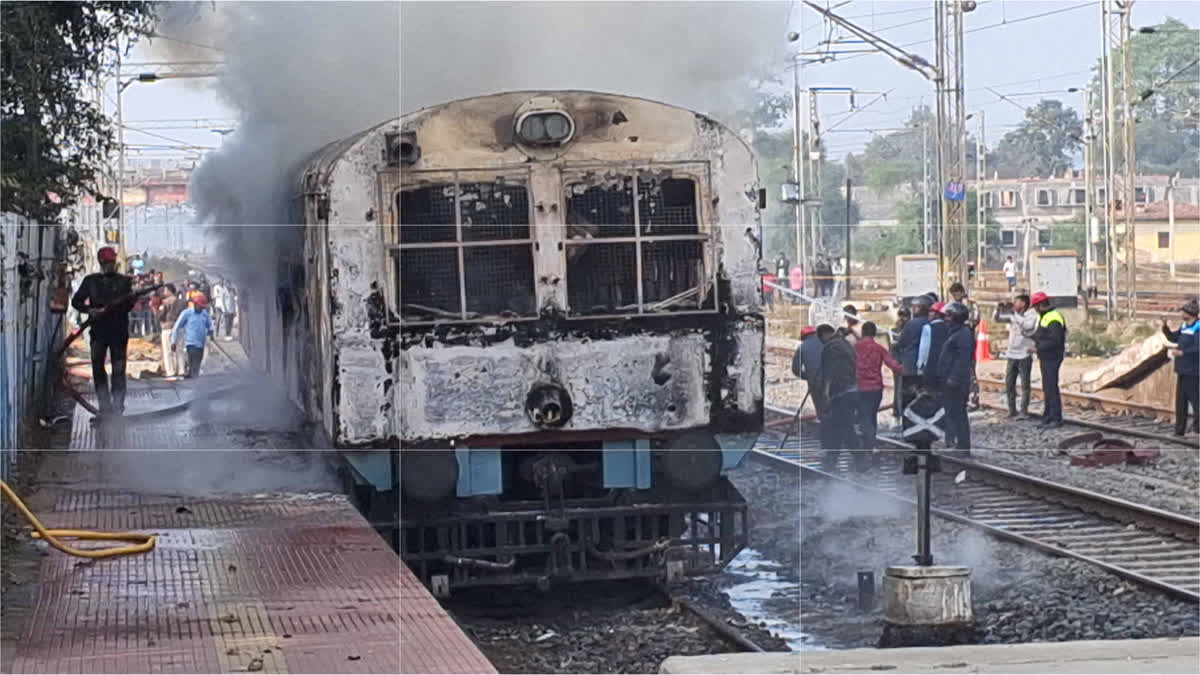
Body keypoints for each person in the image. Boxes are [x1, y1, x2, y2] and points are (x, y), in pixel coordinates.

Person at [70, 246, 134, 417]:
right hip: (98, 332)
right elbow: (76, 302)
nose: (109, 265)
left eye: (111, 262)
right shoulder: (91, 281)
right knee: (98, 368)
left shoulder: (124, 281)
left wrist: (126, 301)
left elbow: (129, 306)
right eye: (106, 263)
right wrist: (89, 310)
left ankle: (118, 406)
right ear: (101, 263)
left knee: (118, 369)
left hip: (118, 331)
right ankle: (105, 407)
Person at [855, 321, 902, 450]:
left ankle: (869, 446)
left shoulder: (855, 347)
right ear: (874, 333)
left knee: (864, 416)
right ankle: (870, 443)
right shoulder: (879, 348)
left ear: (863, 332)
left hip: (859, 387)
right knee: (871, 415)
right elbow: (893, 365)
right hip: (876, 388)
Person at [994, 293, 1037, 419]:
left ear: (1023, 303)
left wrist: (1014, 314)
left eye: (1017, 302)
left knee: (1025, 384)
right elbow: (998, 319)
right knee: (1009, 383)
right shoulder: (1014, 315)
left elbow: (1027, 325)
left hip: (1024, 353)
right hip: (1012, 353)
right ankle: (1011, 409)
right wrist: (999, 309)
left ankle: (1024, 411)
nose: (1015, 304)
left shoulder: (1031, 315)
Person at [939, 302, 975, 450]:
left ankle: (963, 446)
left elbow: (962, 361)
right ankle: (957, 443)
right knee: (953, 412)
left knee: (959, 413)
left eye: (948, 316)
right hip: (951, 380)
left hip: (957, 383)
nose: (945, 319)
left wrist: (953, 378)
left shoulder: (962, 335)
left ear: (955, 317)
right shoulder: (956, 332)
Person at [818, 323, 858, 453]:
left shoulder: (830, 347)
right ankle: (834, 456)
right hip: (853, 389)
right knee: (844, 424)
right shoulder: (845, 343)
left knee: (842, 425)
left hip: (840, 392)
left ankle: (860, 457)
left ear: (823, 335)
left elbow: (829, 371)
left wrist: (826, 393)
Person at [1162, 298, 1199, 436]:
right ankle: (1179, 431)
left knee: (1197, 403)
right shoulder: (1184, 326)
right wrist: (1165, 327)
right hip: (1182, 370)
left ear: (1190, 313)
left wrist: (1183, 352)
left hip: (1193, 371)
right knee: (1181, 403)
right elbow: (1173, 338)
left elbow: (1198, 348)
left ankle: (1197, 430)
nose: (1181, 314)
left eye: (1183, 311)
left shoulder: (1198, 327)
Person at [1031, 291, 1066, 428]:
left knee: (1051, 387)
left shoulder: (1053, 318)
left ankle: (1056, 418)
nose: (1034, 310)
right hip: (1046, 356)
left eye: (1035, 307)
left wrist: (1038, 348)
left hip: (1052, 357)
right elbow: (1043, 335)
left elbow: (1056, 340)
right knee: (1047, 387)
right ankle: (1048, 416)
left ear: (1040, 305)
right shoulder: (1046, 316)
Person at [949, 282, 981, 409]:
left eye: (955, 293)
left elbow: (973, 321)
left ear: (960, 292)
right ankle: (963, 397)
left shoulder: (970, 305)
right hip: (958, 339)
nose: (954, 296)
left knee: (969, 370)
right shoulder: (953, 305)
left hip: (967, 339)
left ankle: (973, 398)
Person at [171, 293, 215, 379]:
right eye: (200, 306)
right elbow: (177, 326)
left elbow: (210, 324)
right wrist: (173, 341)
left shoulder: (204, 314)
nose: (201, 308)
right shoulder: (187, 313)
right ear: (195, 304)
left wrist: (211, 332)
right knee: (193, 361)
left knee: (197, 363)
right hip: (190, 343)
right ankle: (193, 379)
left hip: (201, 343)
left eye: (203, 307)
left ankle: (192, 376)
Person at [800, 324, 829, 448]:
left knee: (822, 412)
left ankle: (826, 441)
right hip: (830, 381)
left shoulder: (802, 347)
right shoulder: (826, 343)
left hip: (814, 384)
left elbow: (796, 369)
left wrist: (807, 376)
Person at [157, 284, 188, 378]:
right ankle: (181, 370)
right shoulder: (182, 302)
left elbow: (160, 316)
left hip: (168, 328)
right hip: (180, 328)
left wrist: (157, 312)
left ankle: (171, 371)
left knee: (168, 351)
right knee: (179, 350)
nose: (164, 292)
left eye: (165, 290)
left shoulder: (165, 302)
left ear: (169, 290)